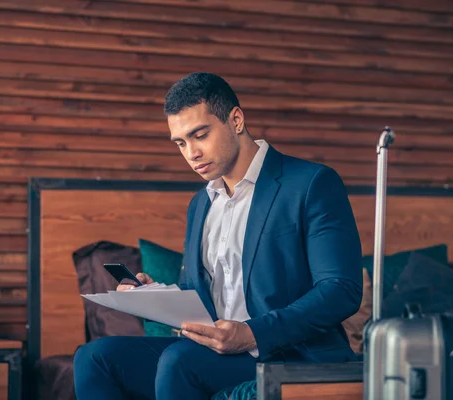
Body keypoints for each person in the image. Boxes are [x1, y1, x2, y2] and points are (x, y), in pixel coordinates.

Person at [73, 72, 363, 400]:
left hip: (289, 353)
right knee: (94, 358)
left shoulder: (311, 183)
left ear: (236, 120)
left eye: (200, 135)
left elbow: (341, 289)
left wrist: (253, 333)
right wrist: (152, 295)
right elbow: (207, 295)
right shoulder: (201, 203)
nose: (191, 153)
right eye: (181, 142)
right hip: (217, 352)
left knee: (179, 361)